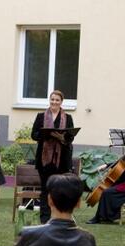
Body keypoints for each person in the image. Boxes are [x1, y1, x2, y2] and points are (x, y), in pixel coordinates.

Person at [32, 90, 76, 224]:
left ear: (61, 102)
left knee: (60, 189)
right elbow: (34, 135)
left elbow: (70, 138)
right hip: (44, 160)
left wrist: (62, 137)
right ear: (49, 100)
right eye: (52, 99)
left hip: (61, 160)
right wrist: (46, 135)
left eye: (57, 100)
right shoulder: (40, 116)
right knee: (45, 190)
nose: (54, 102)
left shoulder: (68, 117)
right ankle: (45, 219)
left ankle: (58, 217)